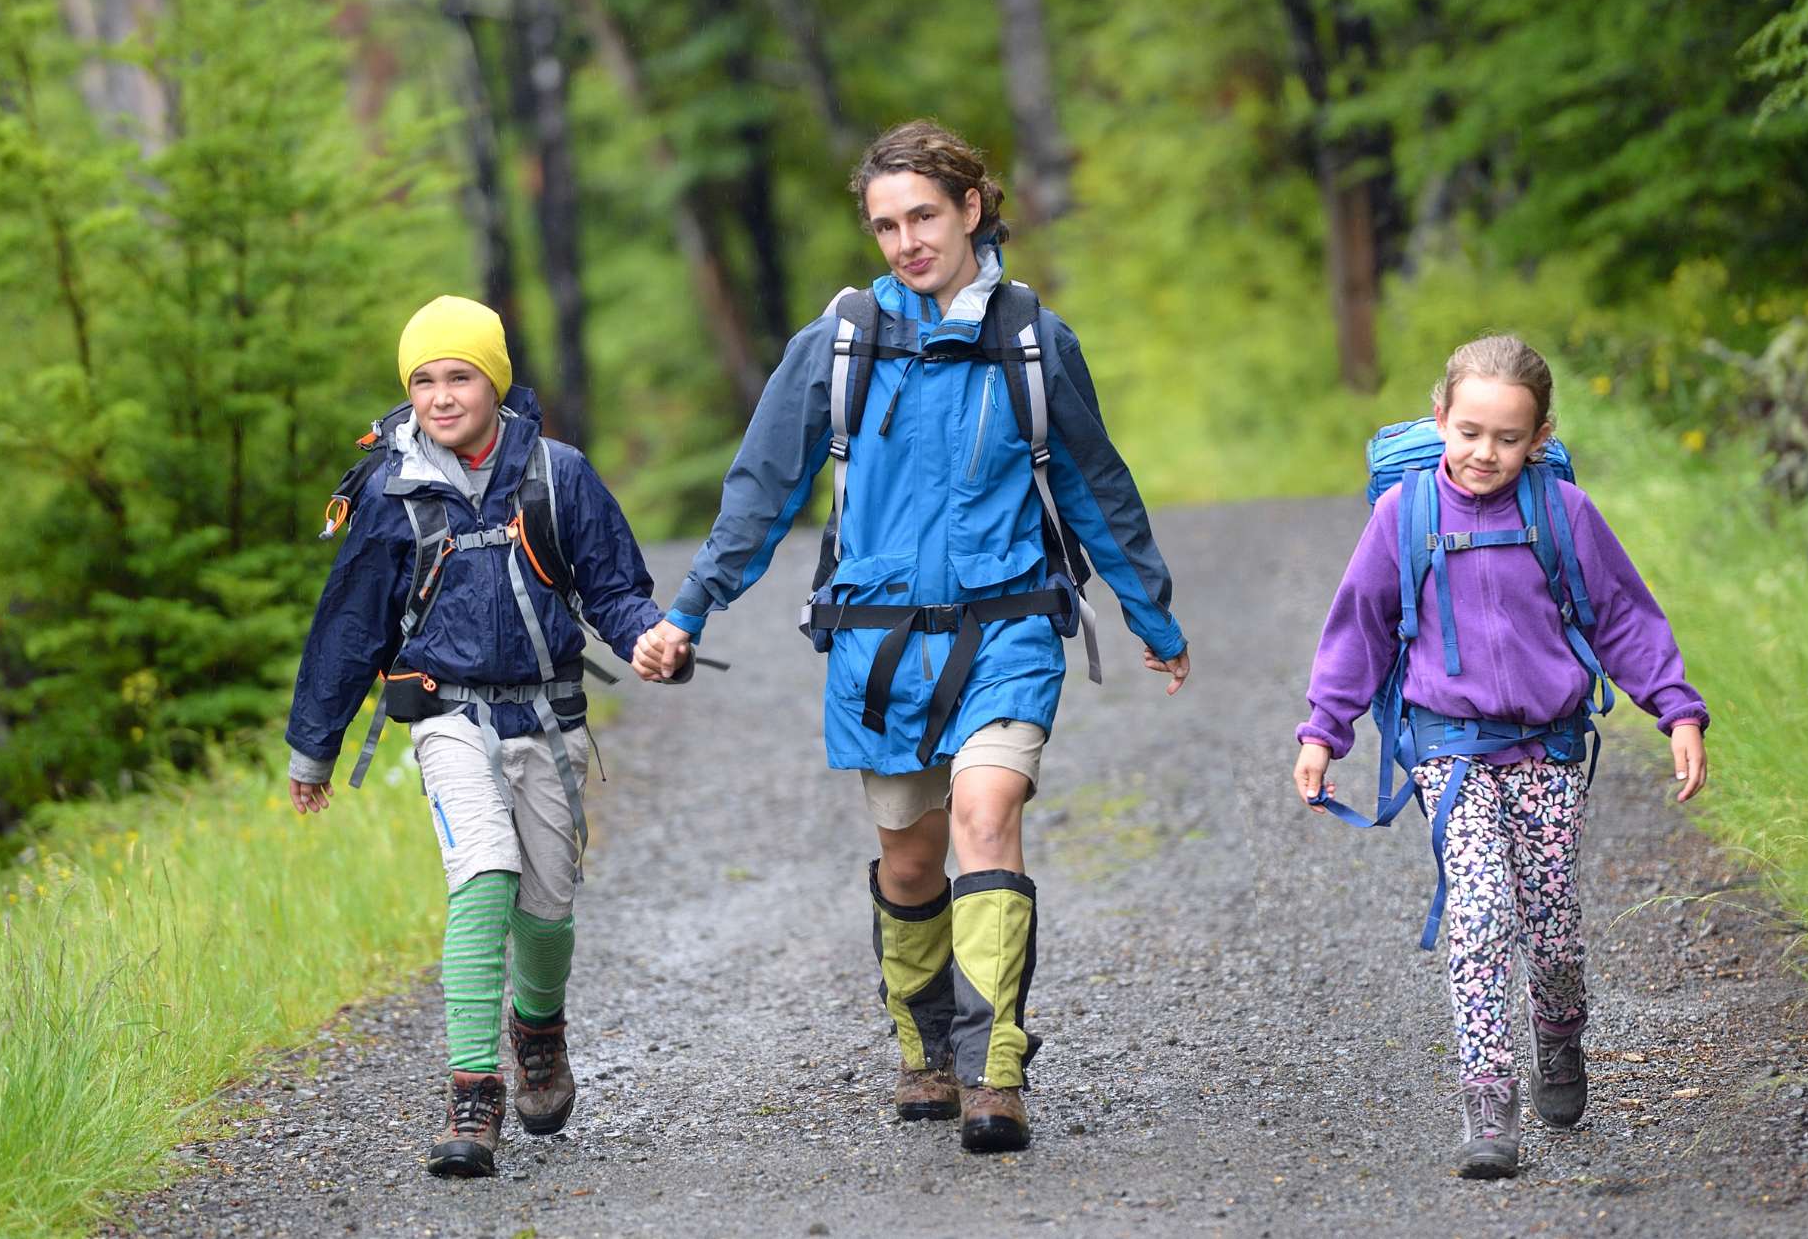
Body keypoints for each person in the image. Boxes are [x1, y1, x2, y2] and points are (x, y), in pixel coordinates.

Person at [631, 120, 1191, 1154]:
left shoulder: (1031, 341)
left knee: (986, 811)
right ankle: (924, 1051)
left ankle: (992, 1073)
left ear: (971, 208)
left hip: (1009, 628)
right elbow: (760, 492)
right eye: (884, 224)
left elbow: (1092, 484)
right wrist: (688, 608)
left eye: (922, 216)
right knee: (909, 861)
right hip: (878, 647)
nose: (904, 241)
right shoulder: (839, 346)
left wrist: (1148, 613)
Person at [1292, 334, 1709, 1179]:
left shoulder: (1564, 515)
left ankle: (1559, 1038)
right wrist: (1322, 731)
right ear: (1440, 417)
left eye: (1509, 438)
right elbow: (1360, 628)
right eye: (1471, 431)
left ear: (1540, 437)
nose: (1486, 453)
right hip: (1451, 750)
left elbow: (1624, 618)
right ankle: (1489, 1102)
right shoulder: (1401, 516)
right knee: (1479, 915)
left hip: (1550, 751)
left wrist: (1676, 710)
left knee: (1554, 937)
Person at [284, 295, 664, 1178]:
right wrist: (315, 748)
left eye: (459, 376)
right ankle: (472, 1093)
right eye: (423, 380)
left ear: (494, 381)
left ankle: (539, 1029)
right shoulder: (388, 492)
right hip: (447, 716)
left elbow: (612, 585)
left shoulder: (558, 475)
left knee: (547, 909)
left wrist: (644, 633)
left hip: (549, 714)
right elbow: (350, 630)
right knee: (484, 872)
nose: (441, 396)